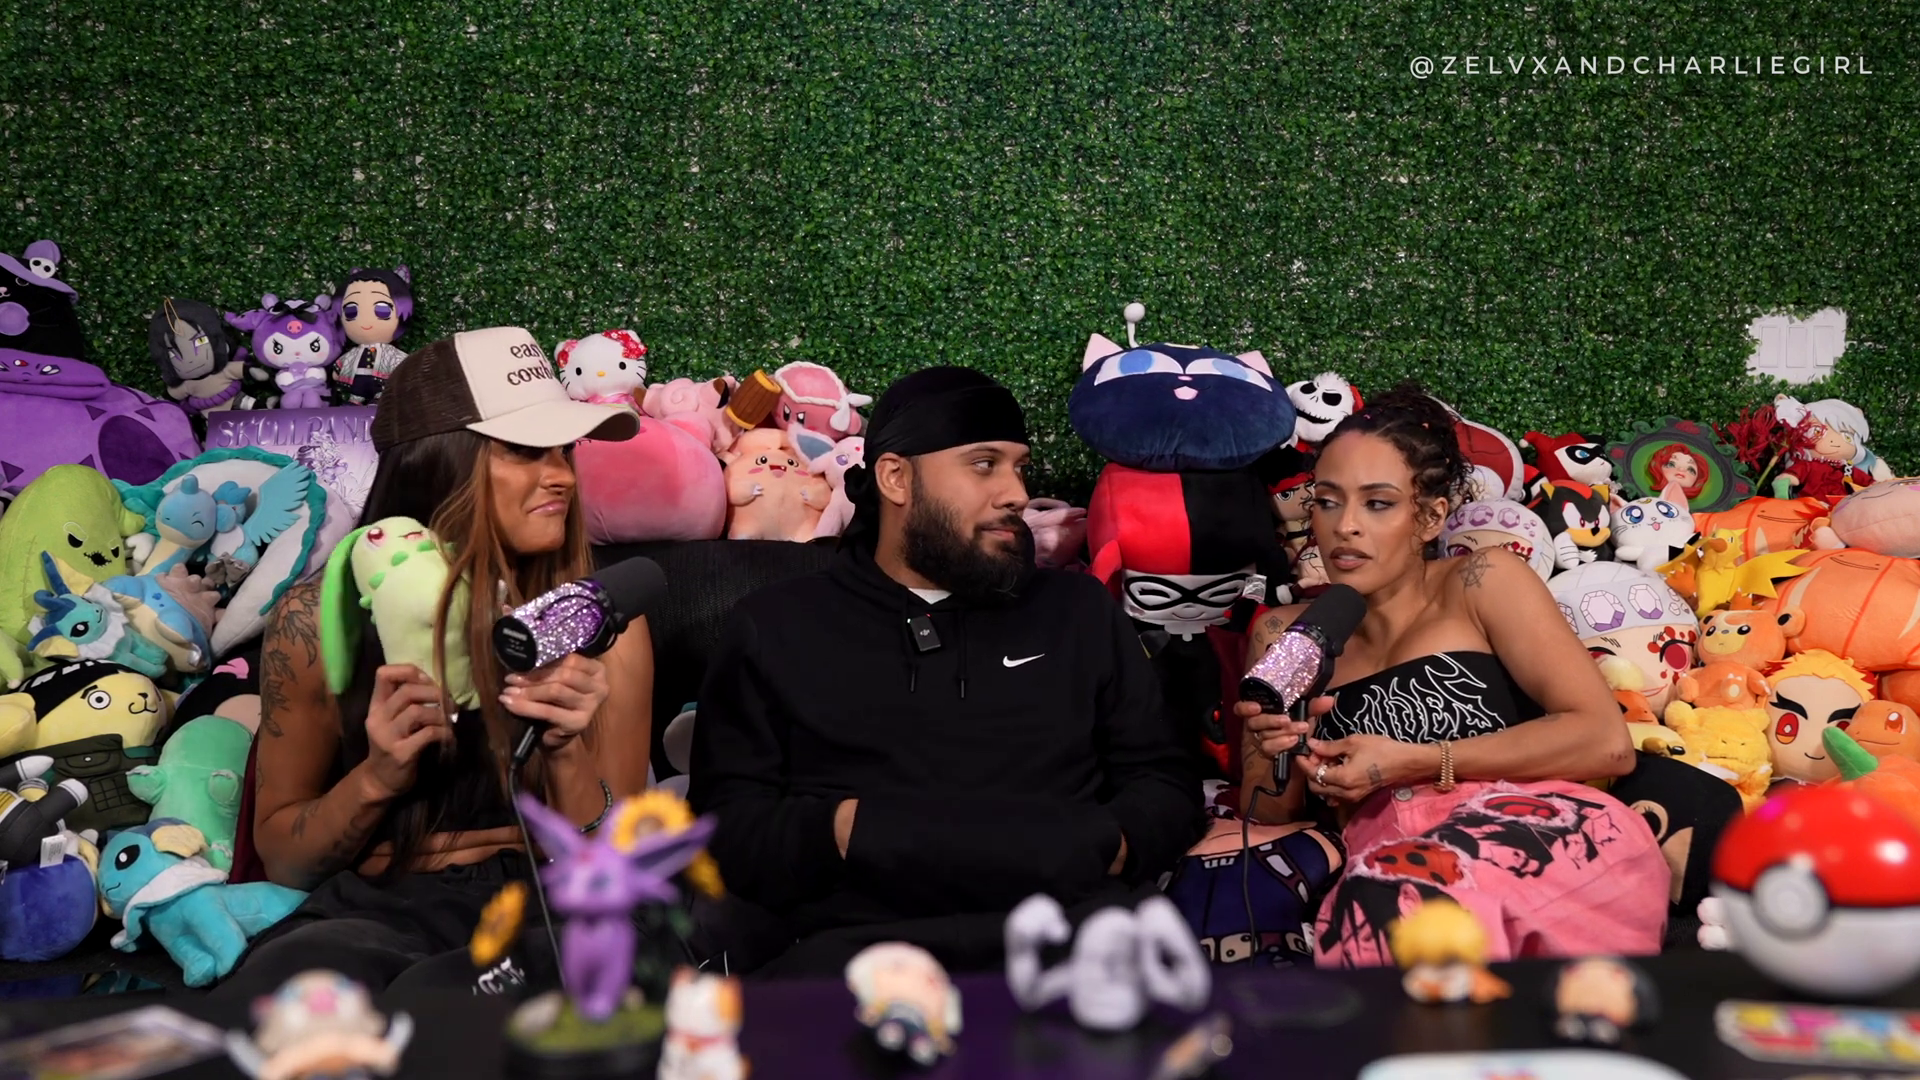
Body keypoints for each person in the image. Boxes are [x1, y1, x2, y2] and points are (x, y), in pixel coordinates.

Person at [690, 366, 1204, 977]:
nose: (1015, 493)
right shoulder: (776, 625)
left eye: (1019, 467)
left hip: (1072, 954)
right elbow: (724, 829)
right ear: (896, 478)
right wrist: (846, 829)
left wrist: (1103, 842)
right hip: (848, 962)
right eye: (984, 464)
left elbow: (1165, 784)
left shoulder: (1078, 611)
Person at [213, 327, 655, 1002]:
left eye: (564, 450)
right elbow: (286, 861)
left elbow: (619, 867)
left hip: (547, 901)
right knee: (289, 995)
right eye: (524, 450)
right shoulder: (316, 617)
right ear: (437, 461)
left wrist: (564, 751)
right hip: (380, 910)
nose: (562, 475)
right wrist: (378, 776)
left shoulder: (599, 620)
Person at [1235, 384, 1670, 965]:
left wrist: (1416, 761)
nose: (1345, 526)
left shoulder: (1483, 581)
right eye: (1328, 501)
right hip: (1393, 870)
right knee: (1390, 914)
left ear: (1431, 516)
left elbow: (1604, 742)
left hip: (1534, 836)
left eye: (1378, 503)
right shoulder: (1282, 634)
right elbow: (1268, 817)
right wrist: (1281, 748)